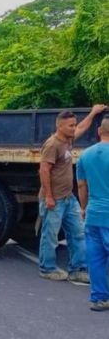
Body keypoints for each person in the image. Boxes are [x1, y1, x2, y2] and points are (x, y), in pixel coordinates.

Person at [38, 105, 106, 282]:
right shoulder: (52, 144)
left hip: (69, 198)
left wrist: (93, 113)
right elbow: (44, 170)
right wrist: (49, 197)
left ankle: (77, 269)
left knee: (78, 233)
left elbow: (82, 127)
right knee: (50, 235)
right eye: (70, 125)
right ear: (59, 126)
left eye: (74, 124)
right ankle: (47, 268)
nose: (74, 128)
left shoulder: (67, 140)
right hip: (54, 199)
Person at [77, 117, 109, 311]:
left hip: (94, 214)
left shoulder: (85, 155)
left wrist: (83, 207)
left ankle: (99, 298)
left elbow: (81, 185)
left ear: (99, 131)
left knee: (96, 259)